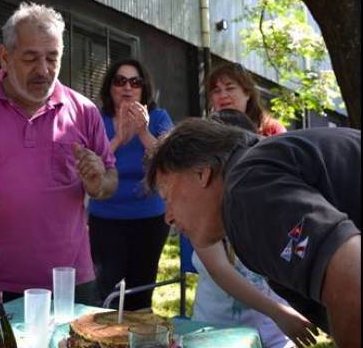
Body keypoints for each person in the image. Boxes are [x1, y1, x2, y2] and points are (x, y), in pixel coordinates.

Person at [0, 2, 118, 304]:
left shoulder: (84, 110)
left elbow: (109, 179)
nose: (43, 70)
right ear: (5, 56)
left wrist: (98, 183)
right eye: (30, 58)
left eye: (52, 58)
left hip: (71, 280)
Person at [145, 117, 360, 348]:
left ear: (201, 173)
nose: (168, 217)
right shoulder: (254, 173)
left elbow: (352, 279)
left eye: (169, 197)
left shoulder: (245, 189)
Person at [192, 110, 316, 348]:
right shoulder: (199, 205)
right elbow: (221, 271)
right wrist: (279, 313)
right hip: (214, 336)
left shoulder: (268, 194)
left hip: (275, 338)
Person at [87, 59, 173, 310]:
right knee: (107, 291)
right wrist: (118, 139)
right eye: (120, 81)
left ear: (144, 88)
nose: (127, 88)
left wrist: (143, 132)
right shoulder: (97, 119)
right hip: (106, 217)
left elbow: (170, 162)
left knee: (141, 291)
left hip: (149, 218)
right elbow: (91, 169)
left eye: (135, 82)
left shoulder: (158, 118)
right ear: (110, 87)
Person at [206, 62, 287, 136]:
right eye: (216, 91)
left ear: (247, 93)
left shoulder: (272, 129)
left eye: (230, 88)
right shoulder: (206, 133)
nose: (223, 95)